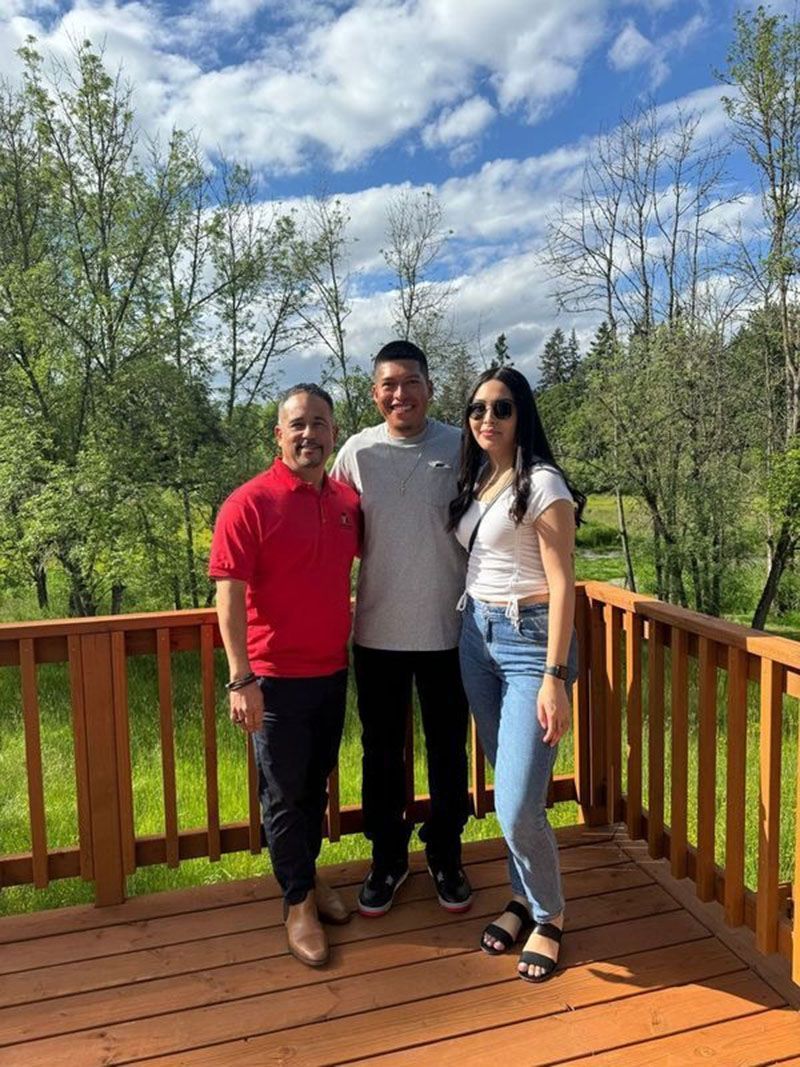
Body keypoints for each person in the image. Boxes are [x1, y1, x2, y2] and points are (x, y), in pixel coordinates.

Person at [208, 383, 360, 968]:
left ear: (333, 434)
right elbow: (228, 598)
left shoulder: (346, 502)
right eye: (298, 424)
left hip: (331, 670)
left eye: (320, 424)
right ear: (279, 434)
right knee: (282, 795)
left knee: (314, 785)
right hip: (272, 679)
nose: (309, 434)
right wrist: (240, 679)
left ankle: (309, 875)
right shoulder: (249, 503)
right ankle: (297, 901)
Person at [449, 365, 584, 983]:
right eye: (478, 408)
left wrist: (555, 674)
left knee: (516, 803)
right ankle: (521, 898)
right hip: (477, 640)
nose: (487, 419)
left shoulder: (543, 482)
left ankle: (550, 914)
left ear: (521, 414)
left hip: (531, 647)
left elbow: (563, 586)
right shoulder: (482, 477)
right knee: (510, 785)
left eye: (501, 408)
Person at [331, 339, 473, 917]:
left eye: (410, 382)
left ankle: (445, 852)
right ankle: (387, 857)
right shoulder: (356, 453)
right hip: (378, 634)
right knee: (381, 753)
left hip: (449, 630)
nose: (400, 394)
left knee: (448, 751)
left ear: (429, 388)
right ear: (374, 393)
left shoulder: (462, 446)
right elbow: (328, 527)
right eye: (389, 384)